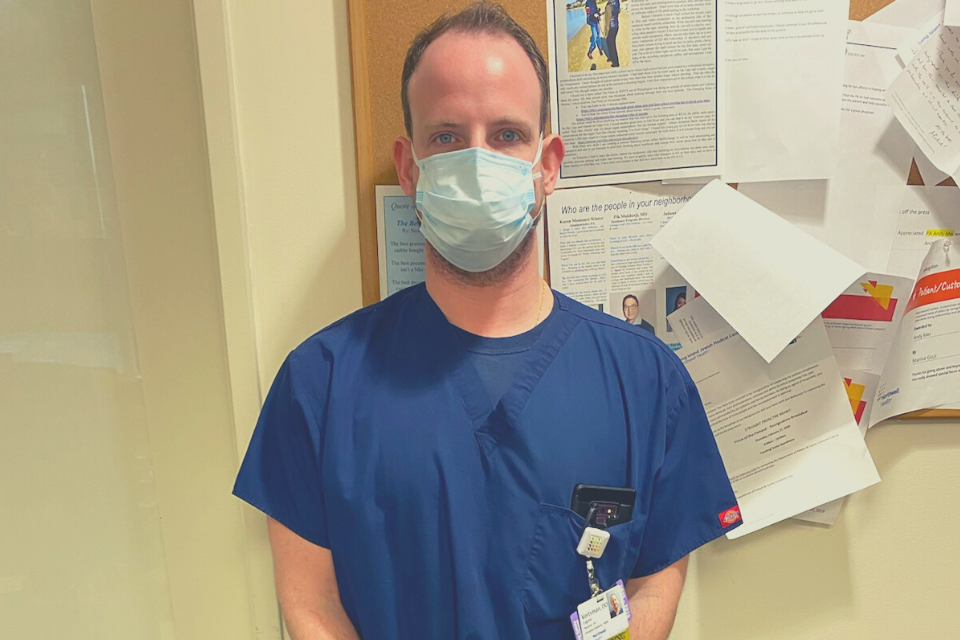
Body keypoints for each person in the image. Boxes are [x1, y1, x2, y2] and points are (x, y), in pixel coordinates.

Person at [233, 3, 740, 639]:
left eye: (506, 135)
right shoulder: (319, 384)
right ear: (410, 167)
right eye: (446, 137)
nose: (477, 162)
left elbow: (655, 574)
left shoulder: (645, 381)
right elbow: (310, 604)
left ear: (547, 164)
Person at [604, 0, 621, 67]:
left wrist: (606, 31)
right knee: (609, 42)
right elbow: (618, 11)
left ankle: (616, 63)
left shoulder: (609, 5)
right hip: (616, 26)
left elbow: (608, 21)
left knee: (612, 45)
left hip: (611, 27)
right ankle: (611, 57)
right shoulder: (617, 2)